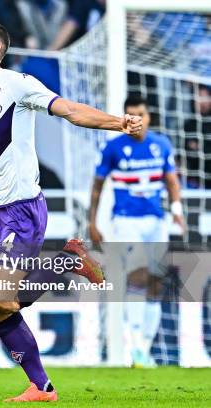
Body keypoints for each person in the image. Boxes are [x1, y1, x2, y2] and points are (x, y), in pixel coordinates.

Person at [0, 19, 144, 402]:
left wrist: (117, 122)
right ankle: (42, 387)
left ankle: (67, 262)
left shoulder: (18, 84)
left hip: (20, 209)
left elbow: (68, 109)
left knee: (3, 299)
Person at [89, 95, 185, 368]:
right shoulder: (113, 147)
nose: (136, 120)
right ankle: (135, 346)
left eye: (140, 115)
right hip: (126, 221)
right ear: (125, 117)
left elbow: (171, 181)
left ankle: (142, 347)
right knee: (138, 276)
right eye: (130, 115)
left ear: (148, 116)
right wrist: (92, 222)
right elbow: (97, 186)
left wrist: (177, 211)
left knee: (156, 282)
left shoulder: (161, 145)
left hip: (156, 220)